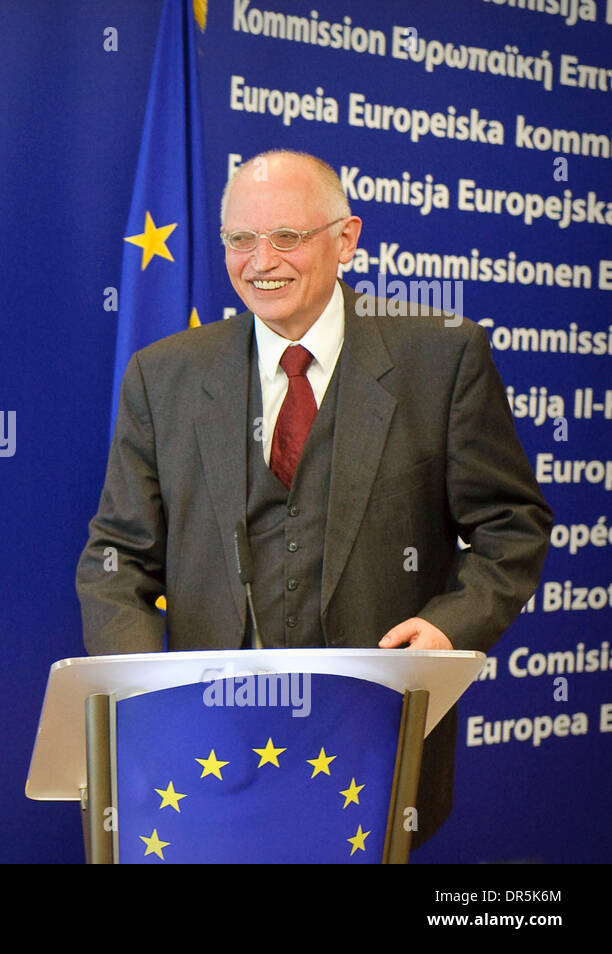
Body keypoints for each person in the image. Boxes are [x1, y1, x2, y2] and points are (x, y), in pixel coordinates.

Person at [76, 150, 551, 848]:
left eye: (287, 238)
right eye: (240, 239)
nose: (260, 261)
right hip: (208, 750)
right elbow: (116, 556)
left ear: (347, 239)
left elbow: (512, 526)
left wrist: (449, 628)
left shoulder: (442, 358)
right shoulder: (163, 376)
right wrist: (145, 692)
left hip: (372, 745)